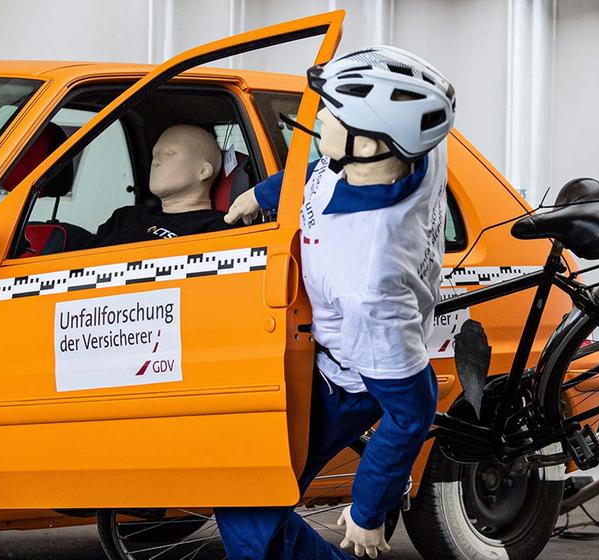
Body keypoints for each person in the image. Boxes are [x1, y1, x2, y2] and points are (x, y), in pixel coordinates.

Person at [216, 46, 456, 560]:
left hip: (345, 377)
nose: (319, 118)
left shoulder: (369, 280)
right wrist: (264, 193)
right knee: (244, 488)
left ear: (369, 143)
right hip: (326, 343)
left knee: (248, 509)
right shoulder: (413, 150)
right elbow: (323, 173)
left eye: (332, 112)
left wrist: (368, 510)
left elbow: (411, 410)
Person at [89, 124, 230, 247]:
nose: (155, 162)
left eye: (170, 153)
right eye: (155, 154)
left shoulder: (221, 230)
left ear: (203, 171)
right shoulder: (125, 217)